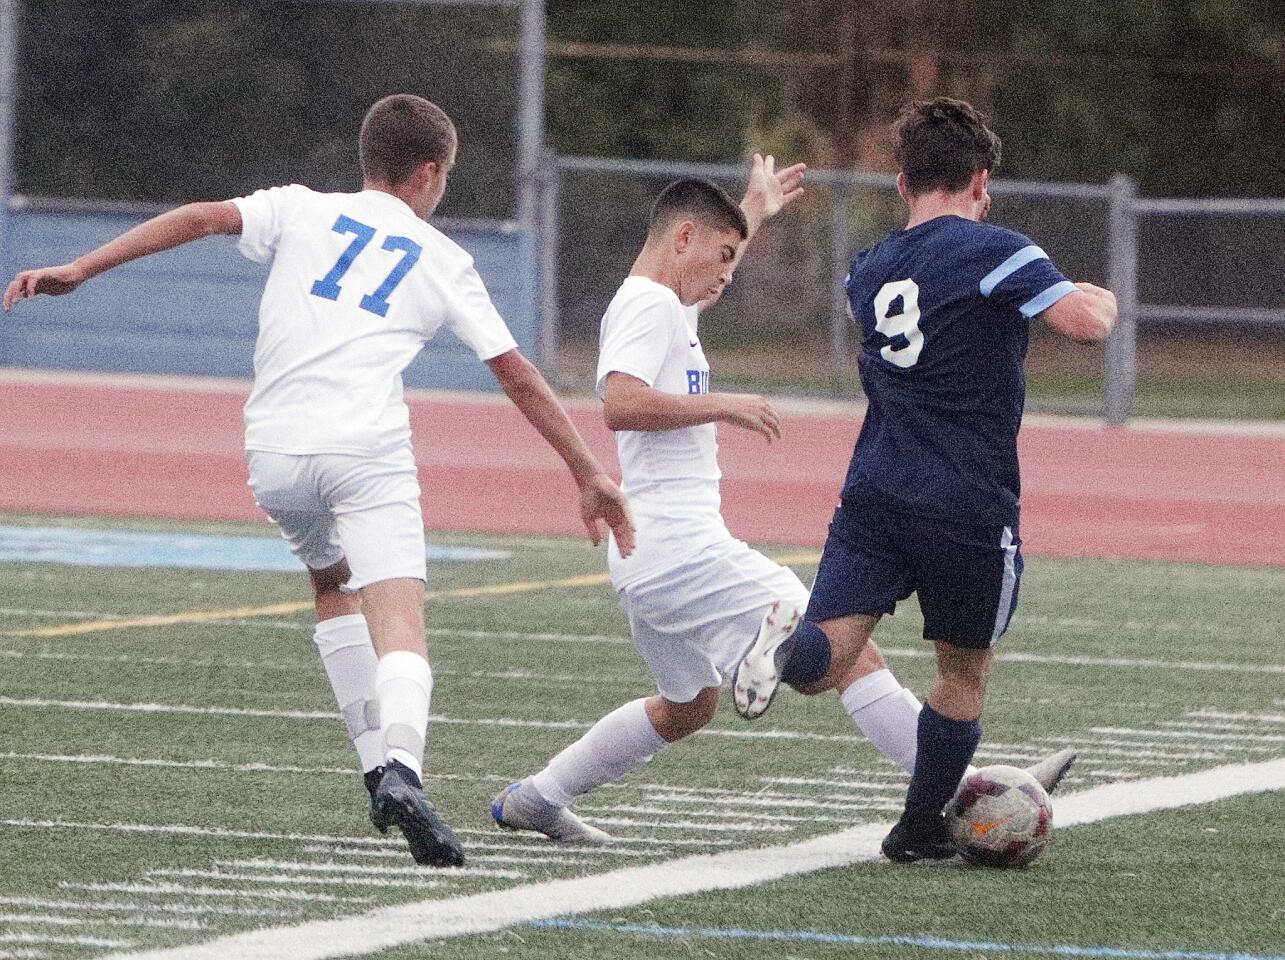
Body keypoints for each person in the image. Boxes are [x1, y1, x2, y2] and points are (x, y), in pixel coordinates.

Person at [4, 93, 636, 867]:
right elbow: (519, 376)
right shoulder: (442, 258)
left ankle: (375, 770)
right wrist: (587, 472)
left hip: (272, 453)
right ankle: (402, 767)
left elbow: (201, 216)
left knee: (331, 584)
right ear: (429, 173)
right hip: (363, 448)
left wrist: (82, 267)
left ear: (368, 159)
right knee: (398, 619)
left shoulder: (299, 209)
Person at [490, 157, 945, 843]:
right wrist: (722, 405)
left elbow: (702, 282)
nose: (727, 274)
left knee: (687, 707)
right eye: (721, 256)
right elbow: (619, 403)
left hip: (645, 557)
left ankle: (537, 797)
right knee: (844, 651)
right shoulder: (648, 305)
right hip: (680, 548)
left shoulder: (662, 304)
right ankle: (961, 789)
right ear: (681, 239)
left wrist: (751, 212)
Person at [742, 97, 1117, 863]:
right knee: (962, 672)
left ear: (902, 182)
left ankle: (781, 650)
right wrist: (1097, 299)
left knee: (825, 663)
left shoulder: (866, 268)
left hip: (874, 488)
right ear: (979, 180)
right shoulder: (997, 249)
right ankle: (915, 829)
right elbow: (1081, 324)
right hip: (965, 499)